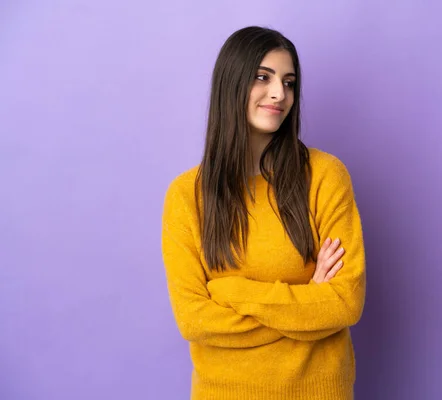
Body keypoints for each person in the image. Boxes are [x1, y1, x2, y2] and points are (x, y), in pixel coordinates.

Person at [161, 26, 366, 400]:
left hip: (318, 391)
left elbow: (344, 302)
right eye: (262, 77)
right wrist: (306, 303)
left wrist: (231, 291)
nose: (279, 94)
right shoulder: (186, 195)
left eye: (289, 82)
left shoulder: (325, 176)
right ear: (232, 83)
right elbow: (194, 319)